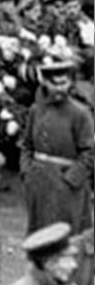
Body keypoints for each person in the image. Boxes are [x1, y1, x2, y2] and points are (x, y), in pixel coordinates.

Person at [19, 59, 94, 233]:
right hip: (38, 182)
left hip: (66, 184)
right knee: (39, 236)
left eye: (64, 83)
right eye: (55, 83)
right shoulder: (36, 110)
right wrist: (27, 172)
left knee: (67, 236)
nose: (60, 88)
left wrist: (70, 180)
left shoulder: (80, 113)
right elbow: (26, 145)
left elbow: (89, 152)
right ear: (44, 82)